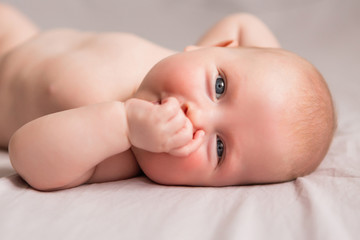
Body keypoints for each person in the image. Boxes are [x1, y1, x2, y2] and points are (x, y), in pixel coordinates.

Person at [0, 3, 336, 191]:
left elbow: (25, 155)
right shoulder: (187, 57)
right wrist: (280, 82)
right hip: (18, 34)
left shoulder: (117, 152)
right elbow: (243, 21)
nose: (198, 117)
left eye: (219, 148)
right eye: (220, 88)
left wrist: (125, 124)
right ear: (214, 49)